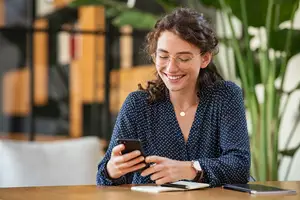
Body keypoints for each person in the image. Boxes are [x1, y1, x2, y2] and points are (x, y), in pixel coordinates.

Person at [96, 7, 250, 187]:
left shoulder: (225, 96)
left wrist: (190, 169)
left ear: (205, 59)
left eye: (183, 58)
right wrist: (112, 170)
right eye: (163, 56)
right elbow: (103, 178)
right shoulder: (137, 104)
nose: (171, 68)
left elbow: (239, 165)